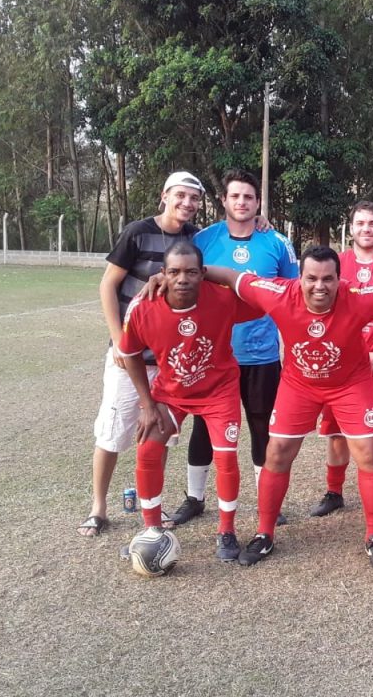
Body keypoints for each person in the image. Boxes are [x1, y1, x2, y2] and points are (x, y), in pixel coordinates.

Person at [204, 246, 373, 570]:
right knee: (277, 451)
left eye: (328, 279)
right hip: (299, 385)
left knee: (368, 453)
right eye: (311, 278)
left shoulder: (358, 298)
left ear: (339, 280)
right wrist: (190, 271)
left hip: (350, 384)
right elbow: (233, 277)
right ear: (299, 278)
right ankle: (264, 533)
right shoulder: (276, 293)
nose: (320, 286)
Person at [166, 168, 300, 529]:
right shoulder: (203, 239)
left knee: (261, 426)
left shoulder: (277, 242)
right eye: (235, 196)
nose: (242, 202)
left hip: (261, 354)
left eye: (249, 197)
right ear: (223, 200)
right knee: (202, 426)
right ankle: (195, 498)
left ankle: (266, 500)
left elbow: (293, 297)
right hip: (212, 355)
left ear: (258, 203)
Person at [77, 171, 204, 538]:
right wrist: (120, 340)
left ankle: (153, 504)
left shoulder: (195, 238)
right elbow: (108, 284)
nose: (187, 203)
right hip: (129, 356)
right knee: (113, 432)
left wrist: (260, 221)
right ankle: (98, 507)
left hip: (168, 360)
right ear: (164, 196)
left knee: (158, 433)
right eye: (180, 195)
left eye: (194, 198)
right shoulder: (137, 232)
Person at [116, 241, 257, 560]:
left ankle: (226, 532)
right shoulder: (143, 306)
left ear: (203, 274)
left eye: (191, 272)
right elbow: (130, 354)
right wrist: (147, 405)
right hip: (171, 392)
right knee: (148, 447)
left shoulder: (222, 298)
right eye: (174, 272)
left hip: (219, 391)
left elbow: (259, 299)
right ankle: (151, 529)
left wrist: (222, 276)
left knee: (226, 458)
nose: (182, 279)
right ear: (162, 274)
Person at [310, 202, 373, 521]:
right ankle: (334, 492)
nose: (366, 229)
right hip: (342, 367)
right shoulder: (336, 263)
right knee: (337, 432)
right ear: (351, 227)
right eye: (361, 223)